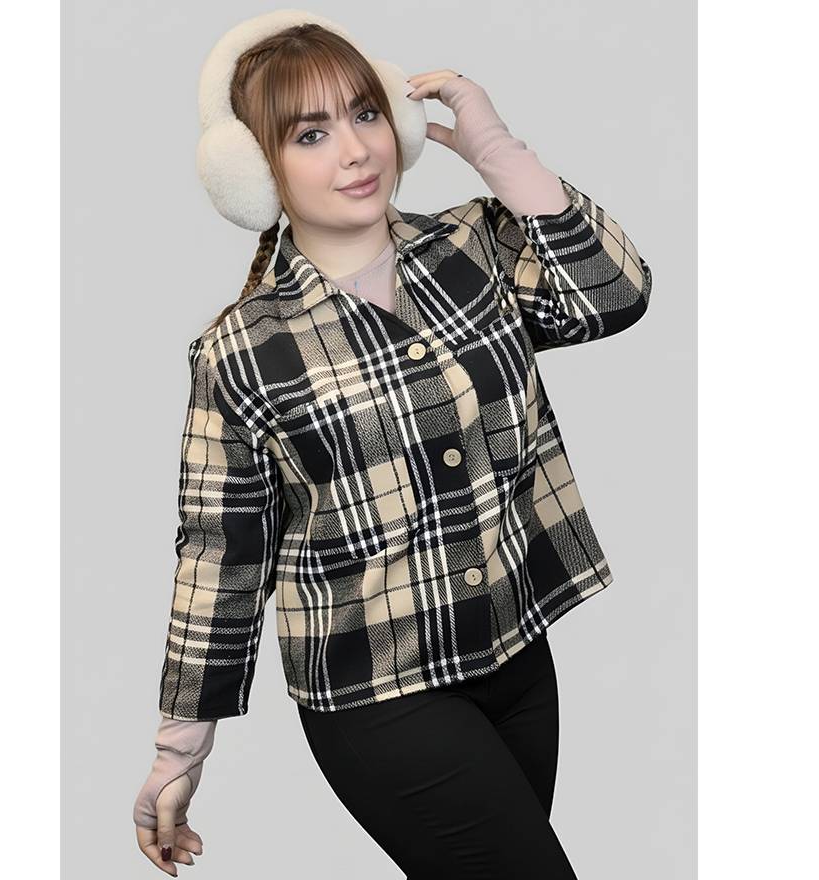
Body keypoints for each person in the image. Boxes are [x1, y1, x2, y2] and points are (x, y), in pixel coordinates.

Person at [134, 11, 653, 879]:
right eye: (311, 134)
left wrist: (498, 151)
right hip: (377, 689)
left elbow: (613, 294)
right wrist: (179, 750)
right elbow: (222, 552)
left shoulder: (475, 245)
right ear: (255, 171)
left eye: (367, 114)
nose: (356, 150)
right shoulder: (243, 351)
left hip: (517, 653)